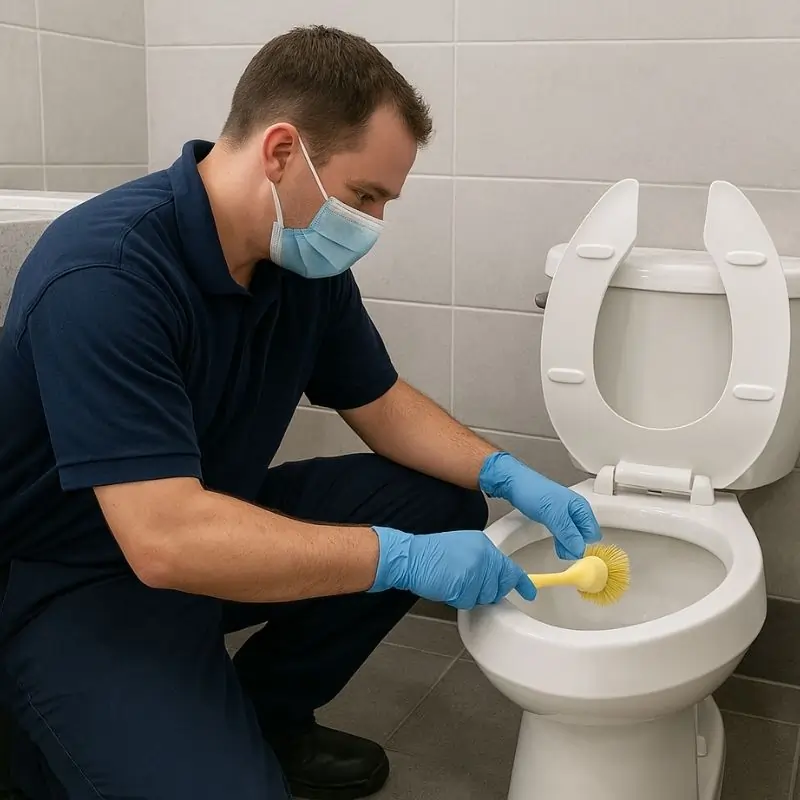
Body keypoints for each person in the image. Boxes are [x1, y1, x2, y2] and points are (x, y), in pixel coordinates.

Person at [0, 25, 601, 800]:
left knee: (441, 504)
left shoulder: (296, 261)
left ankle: (263, 716)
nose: (374, 223)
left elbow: (381, 404)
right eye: (365, 195)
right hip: (77, 579)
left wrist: (506, 472)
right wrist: (396, 559)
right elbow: (163, 540)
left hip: (207, 521)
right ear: (283, 151)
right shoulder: (105, 274)